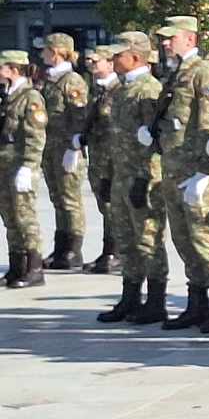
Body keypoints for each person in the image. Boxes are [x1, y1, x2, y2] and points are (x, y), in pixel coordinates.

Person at [150, 16, 209, 333]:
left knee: (203, 237)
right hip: (173, 168)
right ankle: (197, 303)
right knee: (183, 239)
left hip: (195, 170)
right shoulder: (175, 74)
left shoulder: (204, 73)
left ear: (190, 39)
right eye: (165, 38)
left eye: (172, 38)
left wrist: (206, 173)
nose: (166, 43)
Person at [99, 33, 168, 324]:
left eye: (119, 55)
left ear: (136, 57)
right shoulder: (122, 89)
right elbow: (116, 140)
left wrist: (146, 178)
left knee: (148, 239)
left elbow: (156, 141)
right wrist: (107, 175)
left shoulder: (149, 90)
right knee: (125, 239)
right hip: (121, 177)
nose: (114, 60)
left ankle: (155, 301)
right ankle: (130, 296)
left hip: (142, 179)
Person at [37, 33, 90, 269]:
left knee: (71, 199)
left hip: (67, 148)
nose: (42, 54)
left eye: (46, 50)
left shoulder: (72, 80)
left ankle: (73, 249)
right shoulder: (49, 80)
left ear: (58, 52)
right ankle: (61, 246)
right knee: (57, 198)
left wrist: (75, 147)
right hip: (51, 147)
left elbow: (79, 116)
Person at [1, 49, 47, 287]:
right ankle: (17, 266)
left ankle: (34, 268)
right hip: (4, 165)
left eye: (2, 67)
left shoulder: (30, 97)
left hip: (20, 165)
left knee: (24, 216)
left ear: (14, 69)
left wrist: (28, 166)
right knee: (10, 217)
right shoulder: (8, 95)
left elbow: (35, 135)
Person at [82, 44, 120, 274]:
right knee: (104, 204)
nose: (91, 65)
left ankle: (116, 252)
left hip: (114, 158)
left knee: (114, 205)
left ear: (110, 62)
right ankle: (108, 251)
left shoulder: (118, 89)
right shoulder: (96, 90)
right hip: (98, 157)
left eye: (96, 61)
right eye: (90, 62)